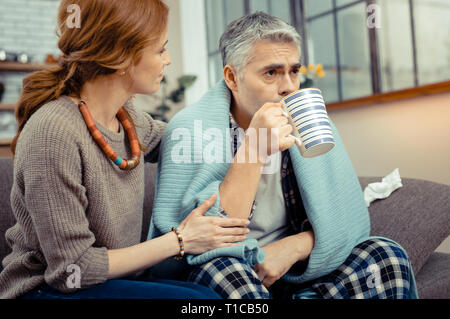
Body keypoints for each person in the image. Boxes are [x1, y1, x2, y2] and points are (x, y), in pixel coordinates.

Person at [148, 12, 419, 299]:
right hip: (232, 268)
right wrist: (254, 147)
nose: (288, 86)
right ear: (232, 77)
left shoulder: (311, 122)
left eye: (294, 71)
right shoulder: (190, 129)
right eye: (271, 72)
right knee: (223, 269)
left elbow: (350, 220)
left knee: (386, 256)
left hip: (297, 268)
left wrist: (297, 246)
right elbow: (195, 243)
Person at [0, 0, 250, 299]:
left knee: (214, 296)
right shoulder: (53, 133)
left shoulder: (125, 116)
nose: (168, 60)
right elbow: (72, 269)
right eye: (160, 49)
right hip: (46, 290)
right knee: (201, 301)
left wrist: (254, 128)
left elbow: (184, 139)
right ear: (120, 56)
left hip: (109, 281)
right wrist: (182, 239)